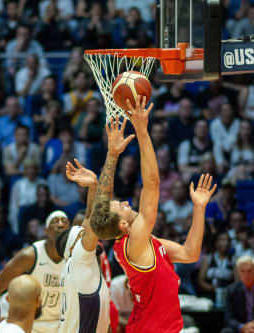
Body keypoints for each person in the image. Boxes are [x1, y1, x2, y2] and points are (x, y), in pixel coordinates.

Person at [92, 96, 216, 332]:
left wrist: (199, 209)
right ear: (123, 227)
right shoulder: (135, 243)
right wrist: (141, 130)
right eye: (123, 208)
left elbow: (189, 254)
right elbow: (152, 183)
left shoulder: (142, 242)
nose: (127, 203)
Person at [56, 115, 136, 333]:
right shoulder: (80, 261)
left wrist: (92, 187)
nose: (87, 232)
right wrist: (112, 154)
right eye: (81, 234)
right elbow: (97, 218)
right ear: (74, 247)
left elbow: (93, 217)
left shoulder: (80, 266)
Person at [0, 211, 70, 333]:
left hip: (61, 326)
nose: (60, 224)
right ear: (45, 230)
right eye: (55, 221)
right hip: (31, 325)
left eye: (64, 221)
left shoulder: (73, 255)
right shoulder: (30, 255)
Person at [221, 256, 254, 333]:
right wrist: (242, 327)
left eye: (249, 270)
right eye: (243, 271)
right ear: (238, 272)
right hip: (241, 327)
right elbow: (228, 318)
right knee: (226, 331)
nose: (246, 274)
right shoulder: (231, 290)